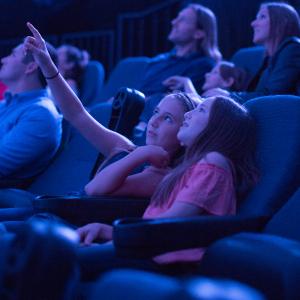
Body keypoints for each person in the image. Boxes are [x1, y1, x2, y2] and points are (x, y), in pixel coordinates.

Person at [76, 95, 258, 279]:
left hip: (172, 265)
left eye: (201, 110)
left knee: (64, 257)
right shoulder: (185, 171)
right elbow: (155, 225)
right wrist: (106, 231)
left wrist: (112, 241)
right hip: (151, 251)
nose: (188, 114)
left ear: (217, 129)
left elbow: (166, 225)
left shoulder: (214, 162)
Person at [24, 23, 201, 199]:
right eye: (156, 113)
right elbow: (77, 115)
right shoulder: (128, 148)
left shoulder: (162, 177)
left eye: (168, 119)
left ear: (184, 132)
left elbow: (94, 190)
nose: (153, 121)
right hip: (56, 213)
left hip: (69, 220)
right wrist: (46, 62)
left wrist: (140, 155)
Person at [136, 3, 221, 130]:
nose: (173, 22)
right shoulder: (158, 60)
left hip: (153, 121)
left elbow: (175, 102)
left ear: (198, 33)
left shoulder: (204, 65)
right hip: (136, 112)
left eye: (183, 20)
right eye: (177, 18)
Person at [203, 2, 300, 103]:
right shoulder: (270, 57)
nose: (253, 24)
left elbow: (273, 95)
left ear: (282, 22)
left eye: (262, 17)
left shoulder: (292, 48)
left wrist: (229, 96)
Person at [0, 40, 62, 188]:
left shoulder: (41, 114)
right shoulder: (5, 104)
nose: (3, 60)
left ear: (31, 66)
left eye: (13, 55)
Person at [162, 61, 248, 96]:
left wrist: (186, 82)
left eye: (215, 73)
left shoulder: (221, 96)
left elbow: (196, 105)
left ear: (228, 82)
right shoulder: (208, 94)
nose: (207, 75)